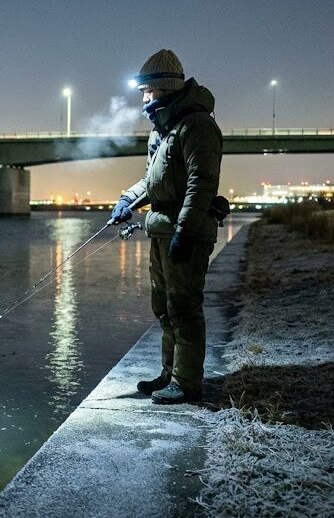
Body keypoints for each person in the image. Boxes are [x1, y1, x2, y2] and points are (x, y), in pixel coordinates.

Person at [110, 49, 223, 404]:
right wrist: (128, 199)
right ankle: (169, 373)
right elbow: (151, 180)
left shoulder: (197, 126)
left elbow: (200, 184)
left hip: (183, 233)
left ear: (165, 88)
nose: (143, 98)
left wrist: (184, 233)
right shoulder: (161, 131)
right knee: (164, 306)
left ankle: (187, 383)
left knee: (184, 307)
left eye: (148, 91)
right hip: (160, 230)